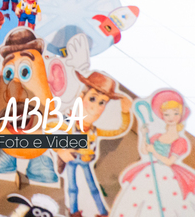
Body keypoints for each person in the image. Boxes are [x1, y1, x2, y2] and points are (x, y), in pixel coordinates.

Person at [56, 71, 131, 217]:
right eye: (92, 99)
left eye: (102, 103)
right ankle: (74, 211)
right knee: (72, 188)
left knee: (93, 187)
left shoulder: (94, 130)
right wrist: (59, 150)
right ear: (81, 97)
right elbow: (46, 131)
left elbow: (119, 130)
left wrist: (125, 112)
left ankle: (102, 212)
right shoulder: (68, 124)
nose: (96, 107)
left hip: (86, 161)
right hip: (71, 160)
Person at [112, 89, 195, 217]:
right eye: (167, 114)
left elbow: (169, 161)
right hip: (150, 171)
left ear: (181, 115)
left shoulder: (180, 141)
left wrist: (154, 152)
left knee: (164, 203)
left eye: (175, 113)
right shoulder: (157, 136)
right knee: (139, 198)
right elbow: (145, 151)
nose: (171, 117)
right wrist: (144, 135)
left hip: (167, 175)